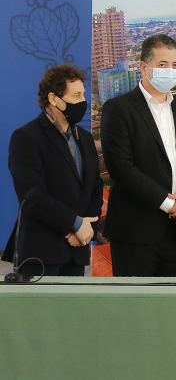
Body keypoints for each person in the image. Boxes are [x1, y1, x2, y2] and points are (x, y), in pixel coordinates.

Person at [101, 35, 176, 276]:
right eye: (162, 65)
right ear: (143, 67)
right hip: (136, 232)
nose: (170, 71)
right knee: (138, 308)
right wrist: (170, 205)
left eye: (175, 65)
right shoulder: (118, 109)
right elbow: (121, 168)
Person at [2, 65, 103, 277]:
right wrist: (75, 224)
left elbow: (94, 186)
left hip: (77, 250)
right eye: (76, 95)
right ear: (54, 99)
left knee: (73, 311)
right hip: (40, 253)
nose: (82, 101)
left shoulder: (84, 138)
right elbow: (33, 196)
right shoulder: (26, 138)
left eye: (83, 94)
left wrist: (85, 226)